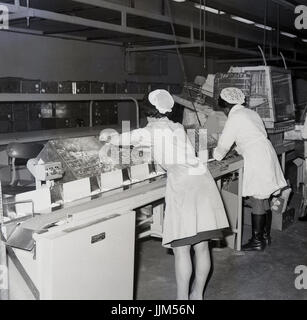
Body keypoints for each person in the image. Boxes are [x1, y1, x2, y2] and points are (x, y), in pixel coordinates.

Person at [99, 89, 229, 300]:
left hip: (184, 185)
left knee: (182, 249)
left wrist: (109, 137)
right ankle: (197, 295)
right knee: (202, 246)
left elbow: (122, 139)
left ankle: (181, 300)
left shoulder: (149, 131)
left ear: (147, 112)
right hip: (203, 180)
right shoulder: (177, 127)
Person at [213, 87, 287, 251]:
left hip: (257, 157)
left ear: (226, 106)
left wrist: (214, 157)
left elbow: (223, 145)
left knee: (258, 198)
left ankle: (257, 240)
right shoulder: (251, 113)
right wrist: (237, 150)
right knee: (264, 196)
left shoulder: (235, 117)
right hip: (266, 152)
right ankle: (265, 236)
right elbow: (250, 136)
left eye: (223, 109)